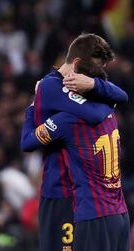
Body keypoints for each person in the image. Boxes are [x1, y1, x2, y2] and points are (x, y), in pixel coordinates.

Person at [28, 33, 128, 251]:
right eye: (95, 70)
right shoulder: (51, 87)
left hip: (86, 197)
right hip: (61, 193)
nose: (98, 77)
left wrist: (93, 84)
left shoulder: (89, 85)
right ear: (77, 64)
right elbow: (28, 141)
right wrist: (32, 105)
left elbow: (123, 96)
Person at [21, 107, 129, 251]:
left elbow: (27, 142)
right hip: (118, 209)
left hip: (77, 203)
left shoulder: (66, 119)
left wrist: (32, 109)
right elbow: (120, 95)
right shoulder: (109, 112)